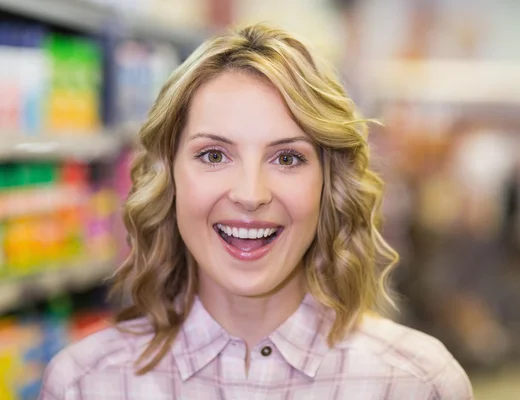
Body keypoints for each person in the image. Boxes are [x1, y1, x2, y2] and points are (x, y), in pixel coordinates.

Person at [39, 23, 473, 399]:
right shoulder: (85, 384)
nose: (250, 194)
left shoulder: (415, 384)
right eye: (213, 155)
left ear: (329, 185)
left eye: (286, 158)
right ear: (169, 178)